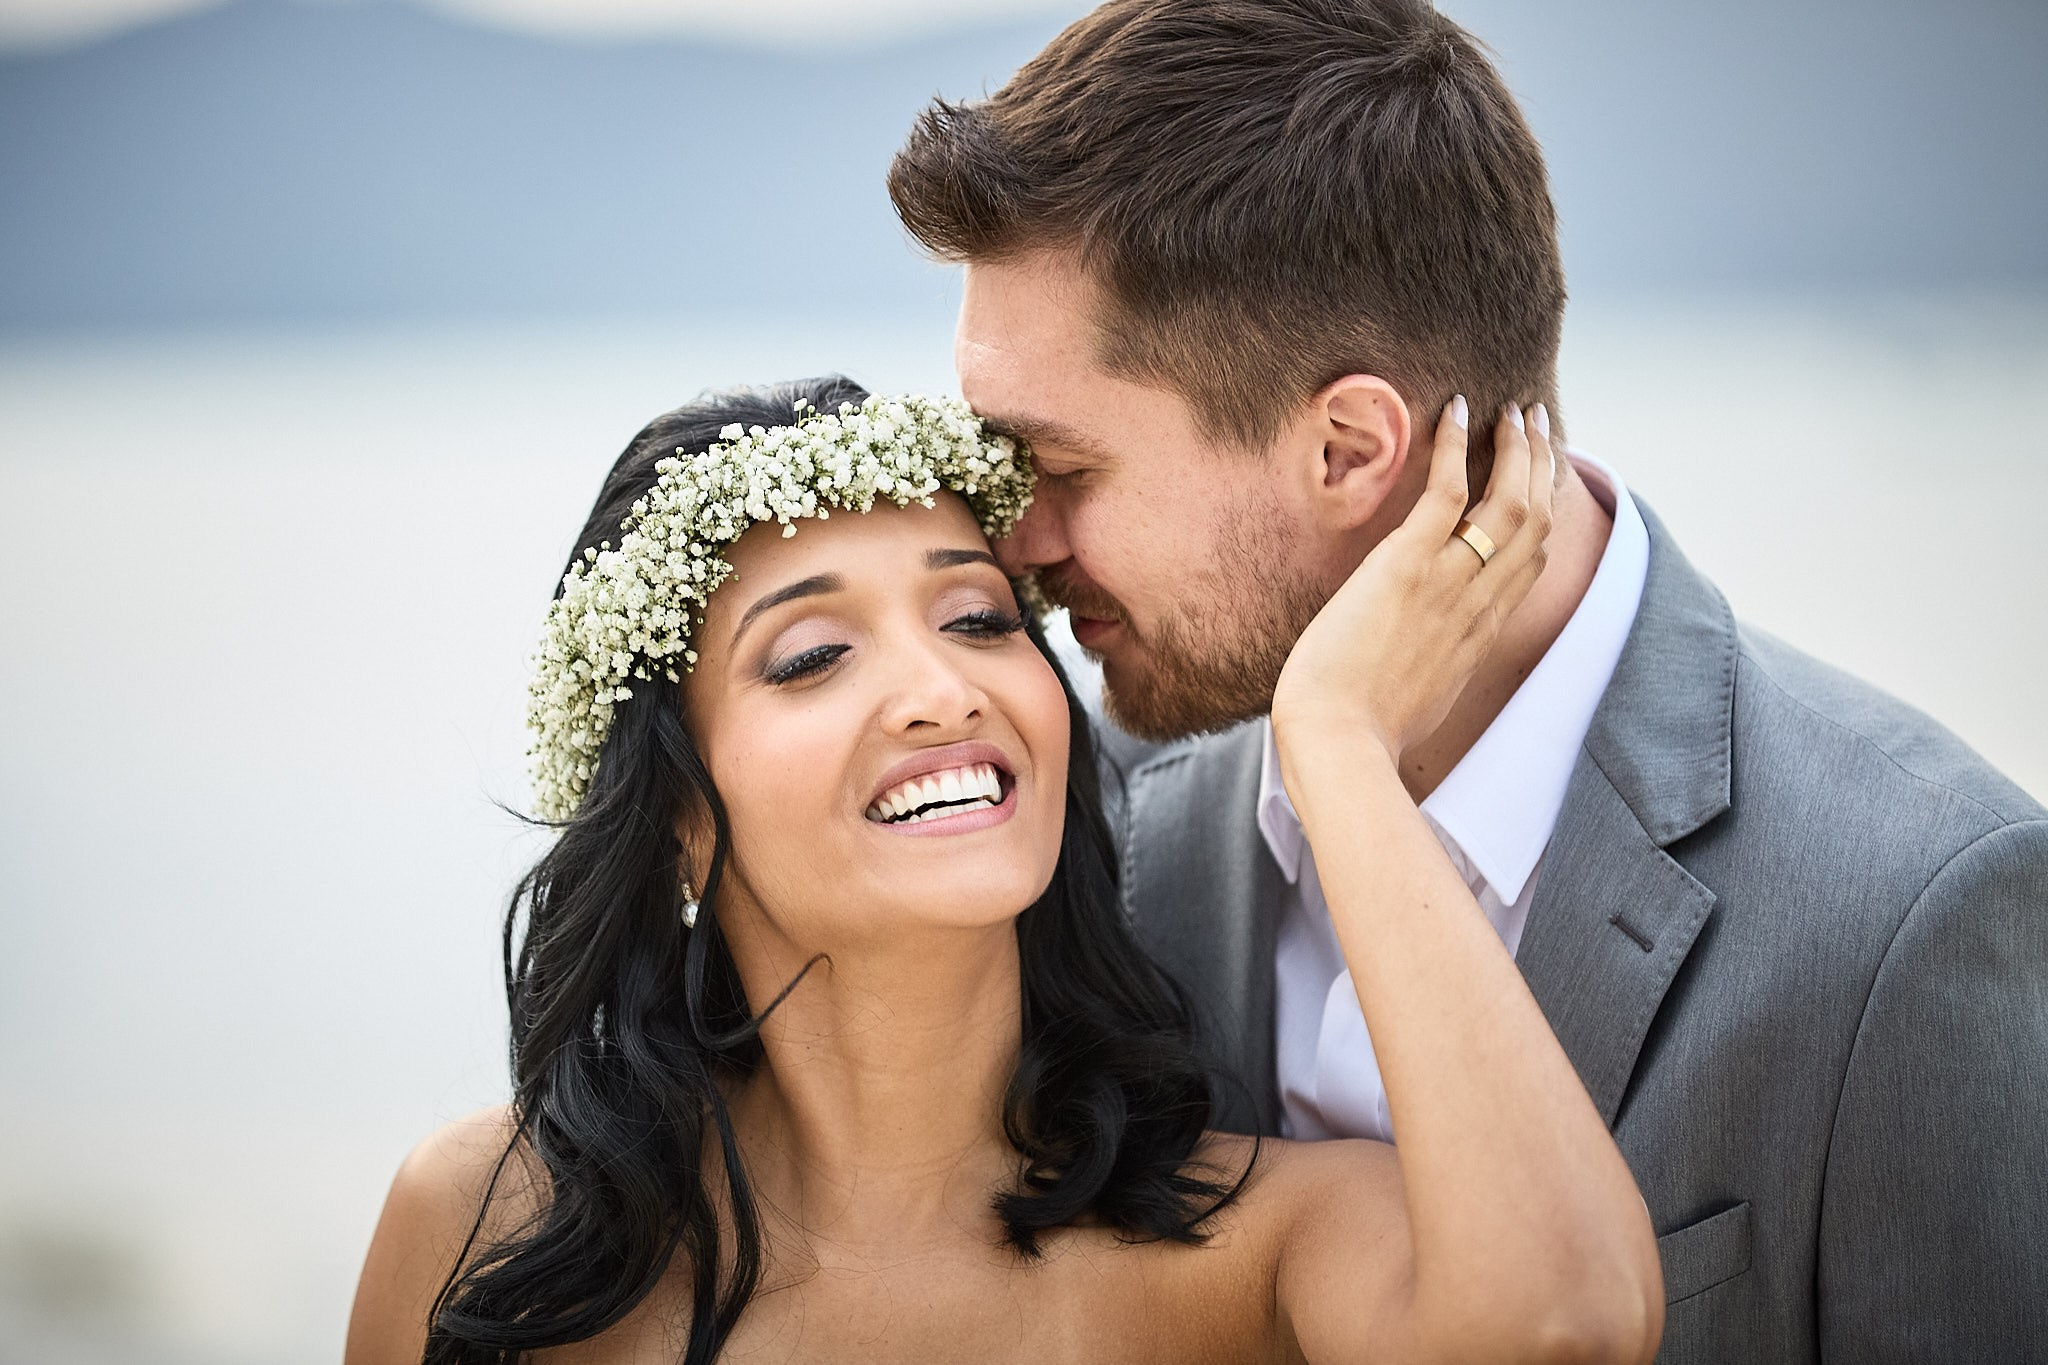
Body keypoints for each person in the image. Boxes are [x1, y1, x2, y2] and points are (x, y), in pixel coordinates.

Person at [886, 1, 2048, 1361]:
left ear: (1346, 450)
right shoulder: (1087, 816)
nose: (1016, 542)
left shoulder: (1915, 910)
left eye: (1066, 470)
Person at [344, 378, 1662, 1363]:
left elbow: (1565, 1326)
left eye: (979, 617)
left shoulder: (1254, 1248)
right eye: (811, 656)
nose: (940, 689)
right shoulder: (483, 1229)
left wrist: (1335, 745)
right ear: (680, 815)